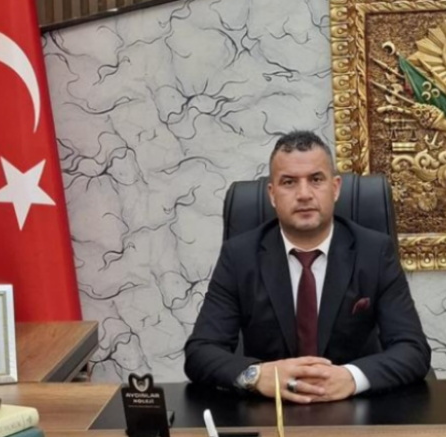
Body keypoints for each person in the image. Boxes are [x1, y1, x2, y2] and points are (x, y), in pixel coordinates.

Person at [184, 130, 430, 404]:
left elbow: (413, 350)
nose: (303, 194)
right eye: (289, 182)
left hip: (354, 409)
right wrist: (256, 375)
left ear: (335, 188)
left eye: (316, 179)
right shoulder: (239, 256)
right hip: (270, 410)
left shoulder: (374, 252)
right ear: (272, 194)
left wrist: (351, 377)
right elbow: (200, 352)